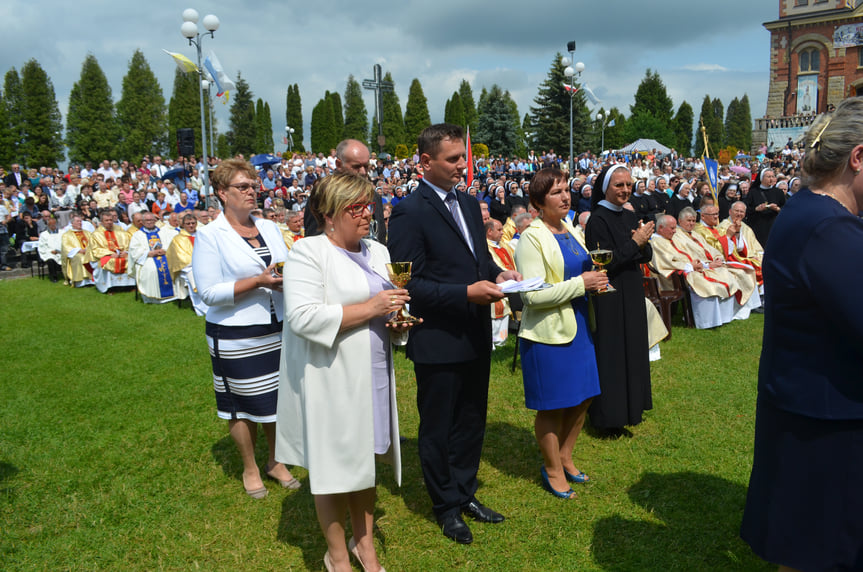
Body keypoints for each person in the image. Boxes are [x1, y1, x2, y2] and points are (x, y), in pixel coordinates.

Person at [740, 97, 863, 571]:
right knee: (821, 548)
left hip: (807, 404)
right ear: (857, 157)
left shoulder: (807, 210)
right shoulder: (828, 229)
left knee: (806, 543)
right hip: (829, 421)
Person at [387, 123, 521, 545]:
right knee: (439, 426)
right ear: (424, 162)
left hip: (475, 333)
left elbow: (477, 261)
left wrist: (502, 274)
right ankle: (445, 506)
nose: (462, 166)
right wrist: (466, 292)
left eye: (464, 158)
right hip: (439, 337)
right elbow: (410, 284)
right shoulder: (410, 210)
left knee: (471, 421)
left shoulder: (467, 202)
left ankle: (465, 492)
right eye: (453, 159)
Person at [277, 173, 414, 572]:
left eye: (368, 204)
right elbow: (302, 317)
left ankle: (364, 545)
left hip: (372, 373)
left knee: (366, 459)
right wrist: (372, 308)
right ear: (328, 214)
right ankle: (336, 554)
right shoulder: (307, 252)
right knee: (334, 466)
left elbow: (389, 308)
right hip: (330, 377)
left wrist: (397, 325)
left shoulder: (377, 250)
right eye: (355, 207)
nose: (366, 213)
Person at [192, 158, 296, 500]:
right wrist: (258, 281)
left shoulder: (267, 227)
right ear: (222, 193)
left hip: (276, 326)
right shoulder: (210, 235)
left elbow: (281, 265)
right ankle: (250, 466)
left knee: (275, 400)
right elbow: (208, 292)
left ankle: (276, 460)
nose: (253, 192)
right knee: (241, 403)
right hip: (235, 333)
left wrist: (282, 280)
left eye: (254, 186)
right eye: (243, 187)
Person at [513, 168, 608, 499]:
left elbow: (581, 273)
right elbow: (532, 296)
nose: (566, 196)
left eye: (567, 189)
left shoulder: (570, 229)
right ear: (538, 202)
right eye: (556, 192)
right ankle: (552, 468)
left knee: (583, 398)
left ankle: (566, 456)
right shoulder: (531, 237)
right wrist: (581, 284)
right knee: (553, 405)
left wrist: (594, 284)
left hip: (579, 325)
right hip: (548, 334)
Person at [584, 164, 654, 433]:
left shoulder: (628, 214)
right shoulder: (598, 220)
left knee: (633, 348)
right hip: (610, 293)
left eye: (628, 184)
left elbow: (643, 257)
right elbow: (605, 262)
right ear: (605, 188)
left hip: (632, 288)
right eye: (619, 185)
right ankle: (608, 417)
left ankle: (632, 409)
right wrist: (635, 243)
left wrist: (643, 243)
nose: (625, 190)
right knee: (613, 353)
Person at [128, 213, 179, 304]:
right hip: (147, 258)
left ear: (155, 221)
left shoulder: (163, 232)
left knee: (172, 266)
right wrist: (149, 253)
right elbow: (134, 251)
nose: (150, 222)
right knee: (151, 269)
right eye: (147, 220)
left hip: (164, 255)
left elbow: (170, 243)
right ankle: (153, 297)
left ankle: (172, 295)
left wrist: (164, 250)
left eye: (151, 220)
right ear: (143, 222)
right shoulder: (137, 235)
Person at [166, 213, 208, 316]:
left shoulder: (202, 235)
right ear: (183, 225)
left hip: (206, 264)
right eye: (188, 223)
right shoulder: (178, 239)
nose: (191, 225)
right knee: (195, 278)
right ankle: (202, 310)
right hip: (188, 268)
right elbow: (181, 258)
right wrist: (198, 263)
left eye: (193, 223)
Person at [89, 210, 136, 293]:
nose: (109, 222)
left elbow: (128, 242)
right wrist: (110, 254)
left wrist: (126, 252)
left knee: (130, 259)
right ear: (102, 222)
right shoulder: (96, 234)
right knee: (110, 262)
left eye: (111, 220)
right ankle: (110, 287)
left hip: (121, 254)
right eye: (106, 220)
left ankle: (130, 285)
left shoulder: (120, 230)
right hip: (106, 256)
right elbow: (95, 249)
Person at [744, 168, 785, 246]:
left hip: (773, 225)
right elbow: (746, 209)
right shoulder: (753, 192)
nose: (771, 179)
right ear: (761, 178)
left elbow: (785, 208)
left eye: (773, 176)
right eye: (768, 177)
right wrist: (756, 209)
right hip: (757, 225)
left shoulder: (778, 192)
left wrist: (777, 209)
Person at [61, 213, 94, 287]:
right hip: (76, 253)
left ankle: (93, 280)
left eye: (80, 221)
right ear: (72, 223)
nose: (80, 223)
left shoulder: (87, 233)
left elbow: (93, 243)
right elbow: (66, 247)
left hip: (89, 252)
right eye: (77, 221)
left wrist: (88, 250)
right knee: (81, 258)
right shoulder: (66, 235)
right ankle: (81, 282)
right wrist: (79, 250)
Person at [37, 215, 63, 282]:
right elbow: (42, 246)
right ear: (48, 225)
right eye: (51, 225)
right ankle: (54, 276)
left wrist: (59, 251)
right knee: (50, 259)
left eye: (54, 225)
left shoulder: (62, 232)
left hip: (61, 252)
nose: (53, 227)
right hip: (50, 252)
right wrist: (50, 251)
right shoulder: (44, 234)